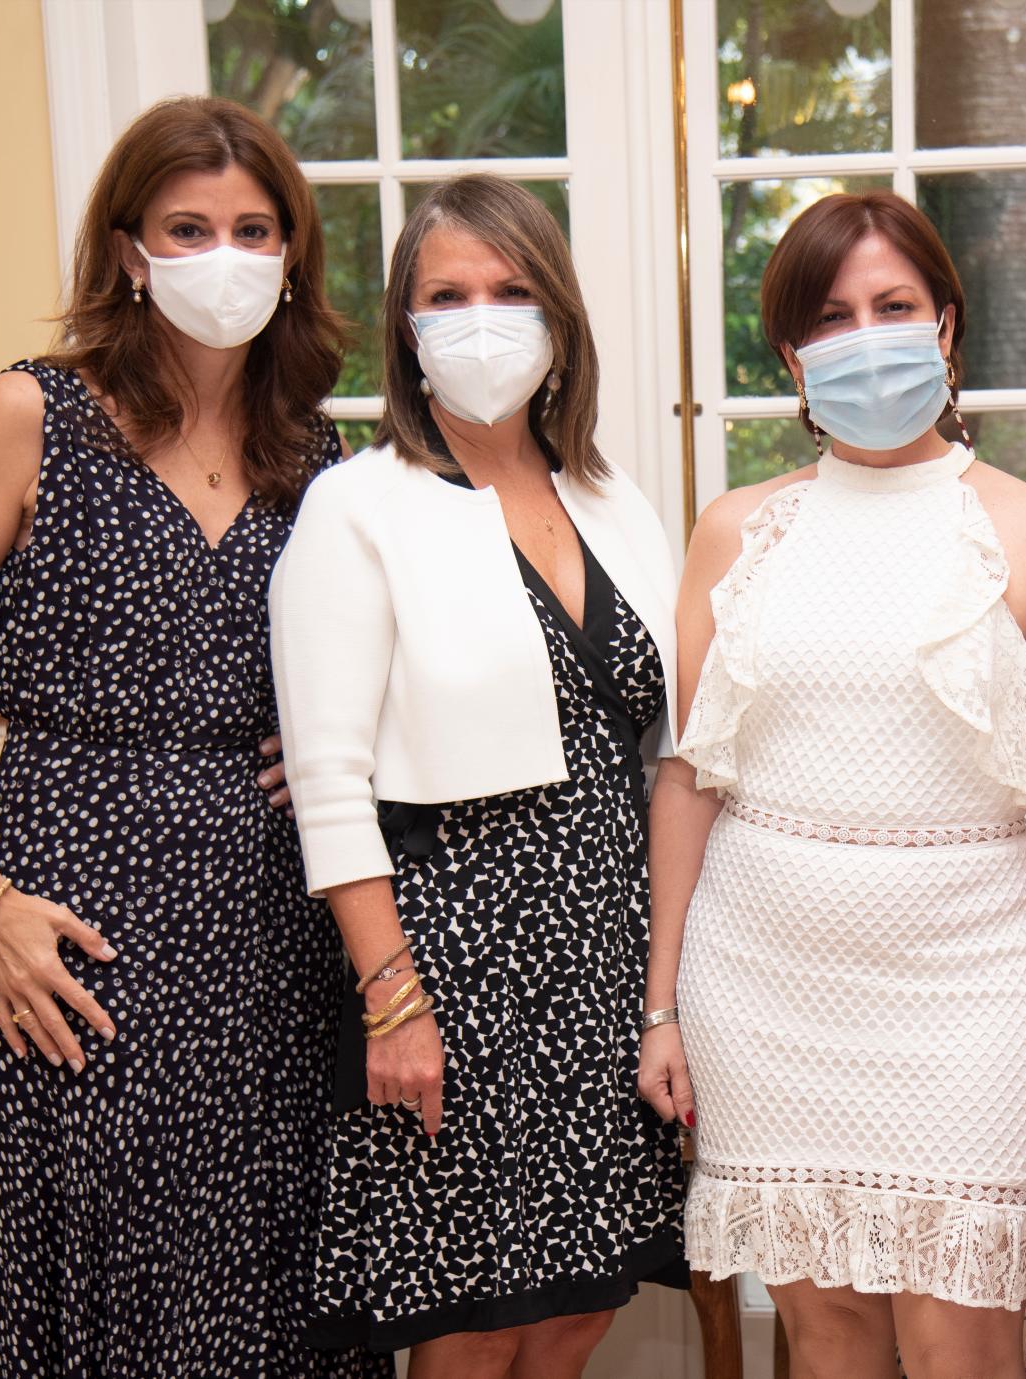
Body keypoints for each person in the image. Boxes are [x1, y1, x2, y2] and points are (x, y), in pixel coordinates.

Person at [0, 97, 384, 1377]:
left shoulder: (318, 454)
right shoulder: (33, 412)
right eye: (188, 228)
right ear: (131, 250)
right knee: (86, 1277)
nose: (223, 255)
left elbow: (374, 669)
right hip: (70, 929)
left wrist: (324, 752)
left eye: (253, 229)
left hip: (270, 937)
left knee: (260, 1276)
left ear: (292, 254)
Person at [637, 190, 1026, 1379]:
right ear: (790, 355)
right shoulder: (734, 531)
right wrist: (660, 1006)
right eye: (830, 316)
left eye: (893, 305)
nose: (865, 337)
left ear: (946, 325)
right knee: (825, 1340)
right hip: (760, 990)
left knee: (960, 1343)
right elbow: (691, 774)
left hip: (969, 993)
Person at [268, 174, 686, 1379]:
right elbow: (327, 779)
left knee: (576, 1305)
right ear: (405, 328)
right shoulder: (356, 506)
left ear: (559, 317)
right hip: (451, 967)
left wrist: (662, 993)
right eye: (445, 296)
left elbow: (666, 745)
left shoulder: (611, 497)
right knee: (474, 1321)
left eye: (510, 290)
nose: (480, 319)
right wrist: (393, 1002)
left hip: (602, 957)